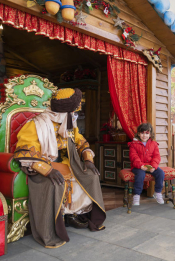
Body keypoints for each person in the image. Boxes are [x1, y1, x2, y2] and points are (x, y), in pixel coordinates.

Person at [14, 88, 106, 248]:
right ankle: (54, 227)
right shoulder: (36, 124)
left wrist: (88, 159)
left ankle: (75, 215)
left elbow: (80, 141)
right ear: (67, 110)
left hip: (67, 164)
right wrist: (48, 170)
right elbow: (26, 152)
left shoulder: (69, 121)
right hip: (41, 166)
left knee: (90, 176)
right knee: (55, 182)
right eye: (74, 109)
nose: (75, 113)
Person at [129, 123, 165, 206]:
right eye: (142, 133)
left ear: (150, 134)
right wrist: (141, 166)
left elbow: (156, 157)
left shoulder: (154, 144)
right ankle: (137, 195)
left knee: (160, 173)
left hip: (150, 166)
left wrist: (153, 166)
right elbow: (134, 157)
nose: (144, 135)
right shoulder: (133, 144)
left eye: (146, 133)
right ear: (138, 134)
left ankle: (157, 192)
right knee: (140, 175)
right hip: (138, 166)